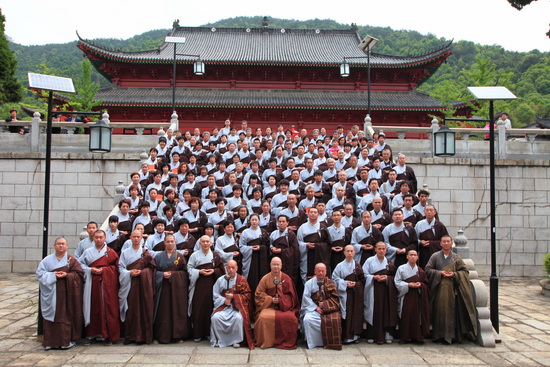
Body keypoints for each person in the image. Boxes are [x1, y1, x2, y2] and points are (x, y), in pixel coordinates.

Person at [425, 236, 477, 344]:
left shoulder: (456, 257)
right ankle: (438, 335)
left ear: (451, 243)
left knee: (452, 312)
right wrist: (440, 273)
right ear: (440, 244)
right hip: (439, 289)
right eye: (444, 241)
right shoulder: (435, 256)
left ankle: (452, 336)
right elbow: (428, 269)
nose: (446, 243)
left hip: (452, 290)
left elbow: (465, 272)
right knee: (439, 311)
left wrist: (455, 274)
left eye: (448, 241)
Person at [36, 237, 84, 350]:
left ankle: (65, 342)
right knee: (51, 317)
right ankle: (49, 342)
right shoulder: (47, 260)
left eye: (63, 244)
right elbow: (40, 273)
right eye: (58, 244)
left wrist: (67, 275)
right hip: (52, 292)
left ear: (67, 246)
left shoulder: (71, 260)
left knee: (65, 316)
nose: (61, 246)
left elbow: (79, 274)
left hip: (66, 294)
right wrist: (53, 276)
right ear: (54, 246)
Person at [79, 230, 120, 345]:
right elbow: (80, 264)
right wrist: (90, 270)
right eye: (96, 237)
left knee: (106, 308)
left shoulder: (110, 252)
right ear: (93, 238)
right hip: (92, 283)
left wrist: (104, 270)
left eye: (101, 237)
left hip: (106, 285)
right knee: (93, 306)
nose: (98, 239)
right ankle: (92, 334)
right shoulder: (88, 252)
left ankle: (106, 335)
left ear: (105, 238)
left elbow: (116, 267)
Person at [118, 230, 156, 345]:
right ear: (130, 238)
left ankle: (143, 337)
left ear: (141, 238)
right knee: (131, 309)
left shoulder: (146, 253)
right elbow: (120, 268)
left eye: (138, 237)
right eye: (134, 237)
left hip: (143, 285)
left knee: (144, 309)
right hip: (130, 284)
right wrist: (129, 273)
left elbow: (152, 269)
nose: (136, 239)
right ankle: (130, 336)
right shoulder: (124, 253)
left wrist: (143, 272)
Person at [254, 257, 300, 349]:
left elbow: (292, 297)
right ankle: (266, 342)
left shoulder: (286, 278)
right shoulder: (265, 279)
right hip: (268, 307)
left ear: (281, 266)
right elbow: (258, 295)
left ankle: (286, 341)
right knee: (263, 318)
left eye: (278, 264)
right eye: (274, 264)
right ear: (270, 265)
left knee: (291, 318)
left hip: (284, 307)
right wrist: (270, 299)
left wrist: (281, 300)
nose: (276, 267)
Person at [153, 234, 190, 344]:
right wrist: (161, 275)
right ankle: (161, 335)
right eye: (167, 241)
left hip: (176, 289)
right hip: (163, 288)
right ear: (164, 243)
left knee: (176, 310)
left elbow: (185, 273)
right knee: (163, 311)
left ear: (175, 242)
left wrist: (173, 275)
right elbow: (153, 272)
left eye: (171, 241)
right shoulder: (158, 257)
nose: (170, 243)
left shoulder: (180, 256)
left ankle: (177, 335)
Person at [187, 235, 225, 342]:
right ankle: (197, 333)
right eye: (203, 241)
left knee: (209, 307)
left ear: (211, 243)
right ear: (199, 243)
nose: (205, 244)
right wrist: (199, 271)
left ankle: (208, 333)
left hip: (211, 285)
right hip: (198, 285)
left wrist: (214, 271)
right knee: (198, 308)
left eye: (207, 242)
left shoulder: (215, 255)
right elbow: (189, 269)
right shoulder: (194, 255)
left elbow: (221, 270)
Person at [210, 260, 255, 349]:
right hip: (223, 307)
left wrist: (234, 297)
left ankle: (236, 340)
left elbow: (247, 296)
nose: (231, 270)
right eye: (229, 267)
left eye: (233, 267)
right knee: (215, 318)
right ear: (226, 268)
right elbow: (215, 294)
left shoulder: (241, 280)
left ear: (237, 268)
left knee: (238, 318)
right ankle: (220, 340)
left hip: (236, 308)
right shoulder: (220, 280)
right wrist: (224, 300)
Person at [300, 263, 342, 350]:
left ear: (326, 272)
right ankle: (313, 343)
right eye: (319, 271)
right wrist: (316, 308)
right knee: (307, 319)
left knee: (335, 319)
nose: (321, 273)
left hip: (328, 310)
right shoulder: (309, 283)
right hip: (313, 309)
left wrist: (325, 305)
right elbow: (306, 297)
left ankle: (328, 342)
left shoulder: (330, 283)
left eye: (323, 271)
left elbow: (335, 299)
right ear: (315, 272)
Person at [362, 242, 398, 344]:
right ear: (375, 249)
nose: (381, 251)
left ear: (386, 250)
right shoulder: (369, 261)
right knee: (373, 311)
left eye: (383, 249)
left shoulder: (389, 262)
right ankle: (371, 335)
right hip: (373, 288)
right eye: (379, 248)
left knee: (385, 311)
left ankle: (387, 335)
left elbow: (394, 277)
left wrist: (387, 278)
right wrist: (373, 277)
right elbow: (363, 274)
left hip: (386, 290)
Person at [394, 249, 430, 344]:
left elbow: (425, 284)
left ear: (417, 257)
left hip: (417, 296)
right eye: (411, 255)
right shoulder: (401, 268)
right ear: (407, 256)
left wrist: (420, 285)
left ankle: (417, 337)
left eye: (415, 255)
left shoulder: (420, 271)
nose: (413, 256)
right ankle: (404, 337)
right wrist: (408, 285)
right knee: (405, 315)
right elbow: (397, 282)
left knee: (417, 316)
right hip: (406, 295)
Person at [331, 245, 365, 344]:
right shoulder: (340, 266)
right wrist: (345, 284)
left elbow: (362, 280)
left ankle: (355, 336)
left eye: (351, 251)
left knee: (355, 313)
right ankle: (346, 336)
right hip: (344, 293)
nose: (350, 253)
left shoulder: (358, 266)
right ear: (344, 252)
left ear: (354, 253)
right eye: (348, 251)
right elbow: (335, 279)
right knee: (345, 314)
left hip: (355, 294)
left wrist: (356, 284)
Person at [239, 213, 269, 295]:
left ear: (259, 221)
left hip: (260, 258)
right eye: (252, 220)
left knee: (260, 277)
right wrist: (250, 248)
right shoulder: (245, 232)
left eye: (256, 220)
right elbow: (241, 246)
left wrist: (261, 247)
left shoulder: (263, 232)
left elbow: (267, 246)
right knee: (251, 278)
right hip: (249, 258)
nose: (254, 222)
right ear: (249, 221)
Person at [414, 204, 449, 269]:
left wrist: (431, 243)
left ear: (435, 212)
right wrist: (420, 242)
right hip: (423, 252)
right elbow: (414, 238)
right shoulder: (419, 224)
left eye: (431, 210)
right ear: (424, 212)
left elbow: (445, 241)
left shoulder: (439, 225)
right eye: (427, 210)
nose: (429, 212)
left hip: (436, 252)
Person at [269, 214, 300, 286]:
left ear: (287, 223)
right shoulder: (273, 234)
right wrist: (271, 248)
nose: (281, 223)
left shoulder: (291, 235)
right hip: (275, 259)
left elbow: (294, 249)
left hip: (287, 262)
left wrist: (282, 251)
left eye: (283, 221)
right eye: (279, 221)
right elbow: (270, 244)